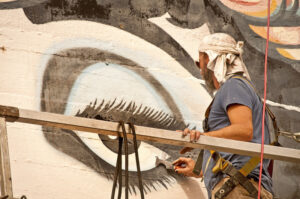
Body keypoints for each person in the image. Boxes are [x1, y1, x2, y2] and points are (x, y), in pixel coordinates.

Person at [172, 33, 273, 199]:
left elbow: (243, 131)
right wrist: (202, 167)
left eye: (200, 61)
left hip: (239, 187)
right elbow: (235, 147)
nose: (200, 68)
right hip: (240, 186)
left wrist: (201, 138)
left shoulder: (234, 86)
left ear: (210, 59)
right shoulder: (236, 88)